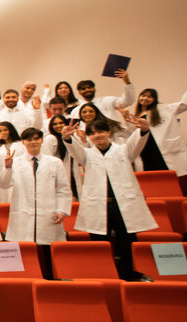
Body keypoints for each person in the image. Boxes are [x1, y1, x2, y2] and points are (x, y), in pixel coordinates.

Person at [63, 117, 158, 279]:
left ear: (108, 132)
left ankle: (129, 276)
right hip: (99, 207)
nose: (97, 135)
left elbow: (138, 143)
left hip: (122, 207)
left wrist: (143, 130)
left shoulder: (123, 150)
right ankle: (105, 276)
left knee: (126, 244)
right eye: (92, 133)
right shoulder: (86, 155)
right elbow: (74, 150)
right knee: (100, 245)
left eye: (100, 131)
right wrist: (66, 138)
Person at [0, 128, 72, 278]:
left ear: (42, 140)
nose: (33, 142)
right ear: (23, 142)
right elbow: (3, 184)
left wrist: (61, 210)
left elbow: (63, 188)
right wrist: (7, 167)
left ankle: (52, 282)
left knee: (49, 253)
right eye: (29, 139)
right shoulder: (14, 162)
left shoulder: (55, 162)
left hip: (48, 213)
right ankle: (24, 282)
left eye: (36, 138)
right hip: (22, 213)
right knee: (24, 252)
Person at [130, 76, 187, 194]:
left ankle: (175, 200)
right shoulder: (136, 114)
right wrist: (126, 120)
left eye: (149, 96)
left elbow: (186, 103)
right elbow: (132, 135)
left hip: (161, 150)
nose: (145, 98)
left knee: (169, 179)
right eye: (143, 95)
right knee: (152, 181)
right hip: (145, 151)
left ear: (154, 99)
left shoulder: (165, 109)